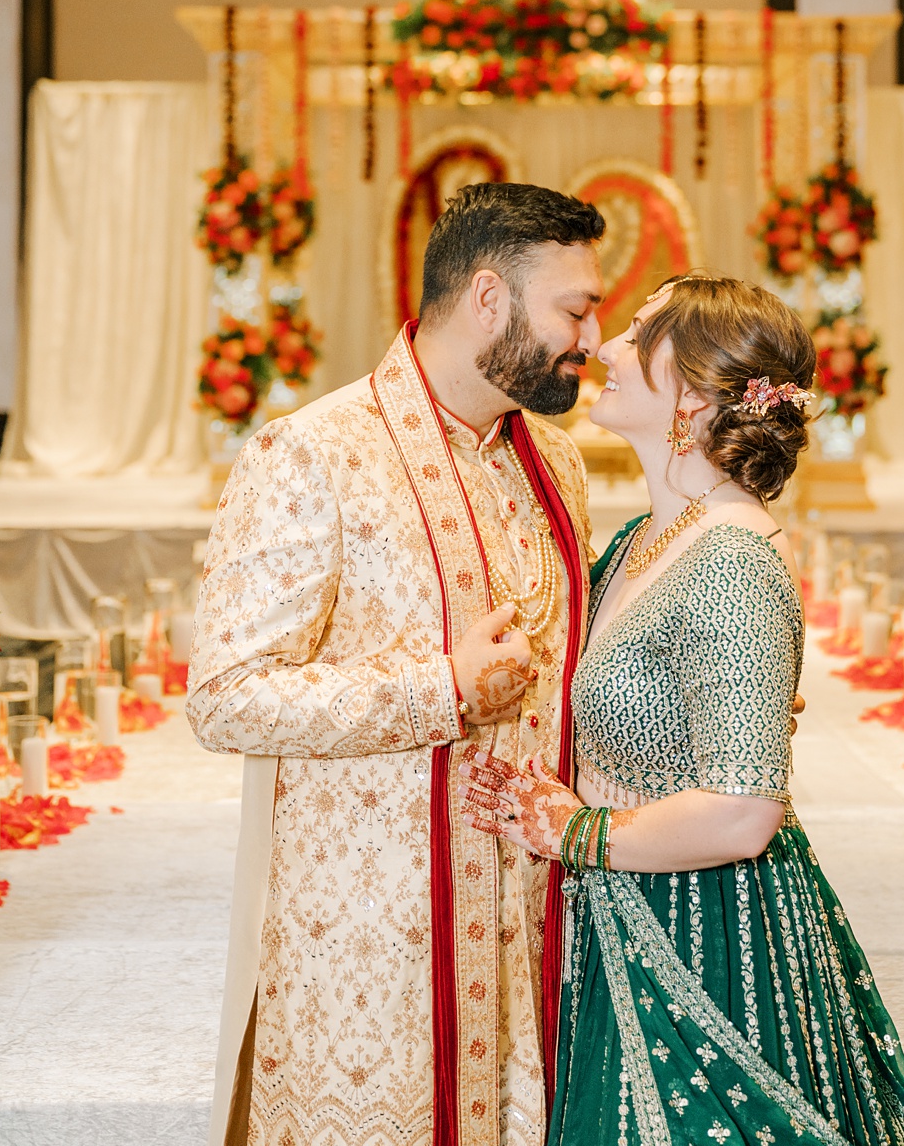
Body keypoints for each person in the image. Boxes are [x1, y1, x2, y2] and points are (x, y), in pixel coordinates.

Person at [466, 272, 904, 1146]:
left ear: (691, 393)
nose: (604, 347)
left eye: (637, 331)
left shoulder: (728, 560)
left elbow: (743, 813)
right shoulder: (645, 541)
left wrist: (571, 833)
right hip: (631, 916)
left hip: (705, 934)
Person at [190, 182, 606, 1146]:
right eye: (575, 310)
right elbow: (223, 697)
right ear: (491, 299)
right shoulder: (313, 454)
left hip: (536, 939)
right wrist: (438, 688)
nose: (590, 338)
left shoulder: (557, 460)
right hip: (375, 958)